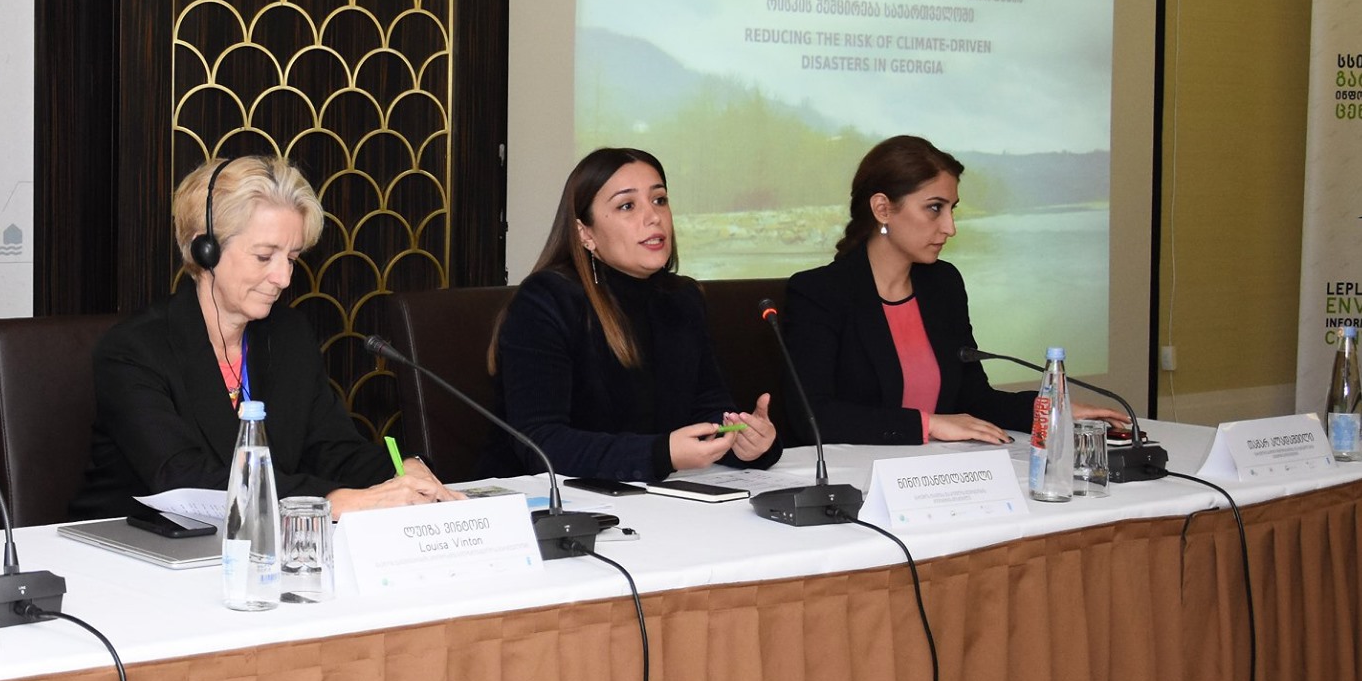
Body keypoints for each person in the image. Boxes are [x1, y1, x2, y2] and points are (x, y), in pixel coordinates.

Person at [71, 155, 460, 519]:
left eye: (291, 258)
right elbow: (184, 479)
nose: (283, 278)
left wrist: (401, 470)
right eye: (264, 256)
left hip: (251, 547)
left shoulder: (289, 335)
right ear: (205, 250)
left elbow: (332, 449)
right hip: (130, 549)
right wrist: (334, 503)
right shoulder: (134, 350)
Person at [782, 134, 1122, 445]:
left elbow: (974, 400)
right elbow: (812, 416)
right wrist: (927, 424)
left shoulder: (942, 284)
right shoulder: (820, 293)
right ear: (882, 209)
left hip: (938, 474)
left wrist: (1048, 410)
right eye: (935, 208)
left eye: (952, 209)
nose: (950, 227)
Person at [489, 147, 778, 481]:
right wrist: (660, 453)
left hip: (648, 495)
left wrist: (746, 442)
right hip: (544, 499)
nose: (653, 217)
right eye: (627, 205)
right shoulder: (546, 300)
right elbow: (540, 443)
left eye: (659, 200)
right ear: (585, 232)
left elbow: (709, 411)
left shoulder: (681, 298)